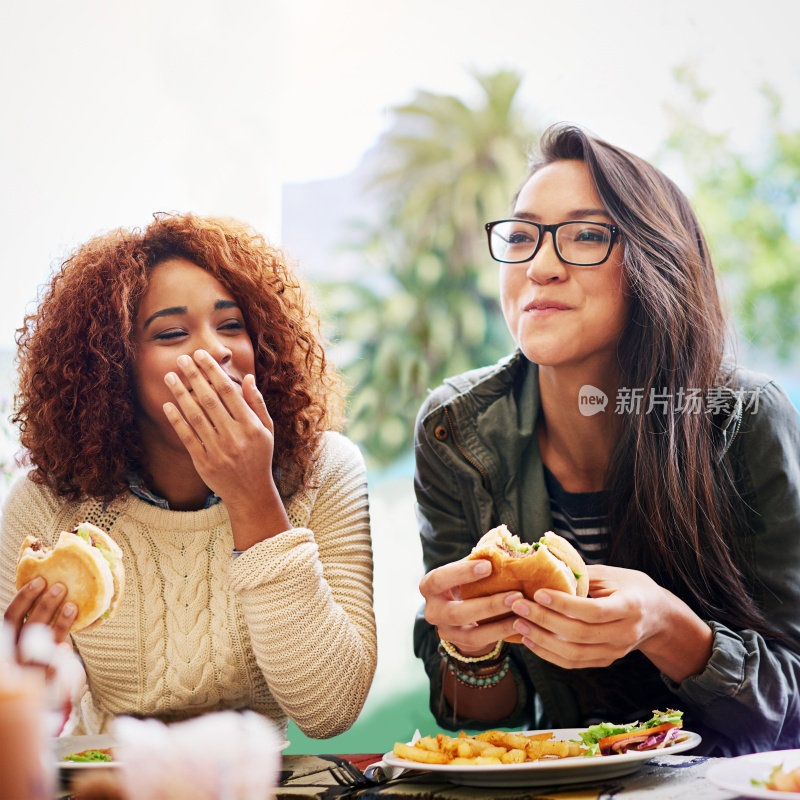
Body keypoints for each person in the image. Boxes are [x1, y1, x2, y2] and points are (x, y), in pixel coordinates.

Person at [414, 123, 800, 756]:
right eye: (521, 236)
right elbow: (469, 718)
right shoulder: (454, 430)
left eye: (586, 236)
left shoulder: (745, 419)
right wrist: (470, 647)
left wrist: (669, 627)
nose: (540, 267)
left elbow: (791, 708)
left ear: (657, 261)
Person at [0, 213, 377, 739]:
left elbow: (330, 710)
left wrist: (253, 497)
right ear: (112, 367)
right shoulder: (49, 501)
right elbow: (31, 723)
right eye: (173, 332)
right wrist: (32, 680)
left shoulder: (323, 471)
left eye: (231, 325)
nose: (216, 350)